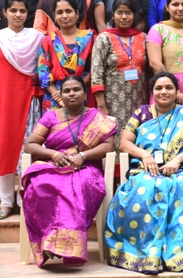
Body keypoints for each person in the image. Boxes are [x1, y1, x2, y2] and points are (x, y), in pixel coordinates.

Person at [105, 71, 183, 274]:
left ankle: (179, 254)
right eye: (158, 88)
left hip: (181, 168)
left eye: (169, 88)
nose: (163, 91)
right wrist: (144, 155)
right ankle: (146, 253)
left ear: (177, 91)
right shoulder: (142, 113)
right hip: (146, 168)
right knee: (145, 187)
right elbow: (124, 142)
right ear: (152, 92)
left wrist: (178, 159)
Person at [22, 76, 116, 267]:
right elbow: (30, 145)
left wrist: (84, 155)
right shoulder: (51, 117)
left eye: (76, 89)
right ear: (61, 95)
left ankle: (66, 247)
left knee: (77, 187)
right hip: (54, 166)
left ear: (85, 93)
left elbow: (109, 146)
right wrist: (53, 154)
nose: (71, 94)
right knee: (38, 186)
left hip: (86, 168)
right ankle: (48, 241)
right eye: (66, 91)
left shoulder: (97, 118)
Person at [0, 0, 44, 220]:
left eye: (22, 11)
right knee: (4, 150)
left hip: (29, 101)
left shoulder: (37, 38)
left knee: (26, 151)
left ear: (28, 13)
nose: (18, 14)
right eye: (13, 10)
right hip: (1, 103)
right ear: (4, 12)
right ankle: (6, 202)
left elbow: (44, 67)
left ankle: (24, 199)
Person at [91, 0, 148, 148]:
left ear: (134, 15)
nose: (124, 17)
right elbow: (96, 72)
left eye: (128, 13)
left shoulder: (143, 38)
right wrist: (101, 105)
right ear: (112, 15)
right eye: (120, 13)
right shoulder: (104, 38)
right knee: (115, 137)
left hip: (139, 99)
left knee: (138, 135)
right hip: (112, 101)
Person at [37, 0, 94, 113]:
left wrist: (74, 88)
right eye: (60, 12)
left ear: (77, 13)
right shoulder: (48, 41)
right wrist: (59, 97)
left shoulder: (91, 38)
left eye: (68, 11)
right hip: (55, 97)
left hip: (83, 93)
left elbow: (96, 69)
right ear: (54, 16)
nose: (64, 16)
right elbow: (43, 72)